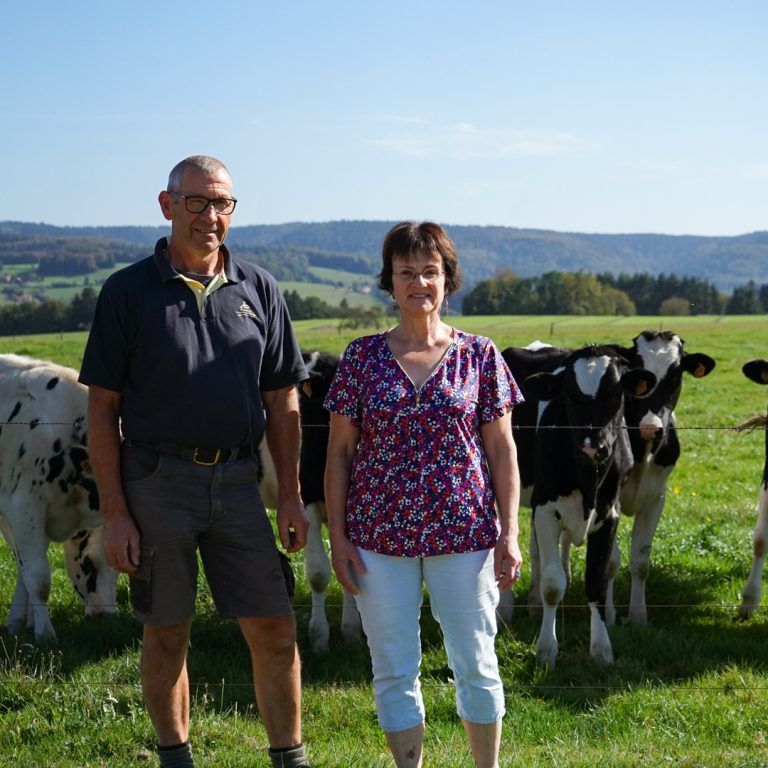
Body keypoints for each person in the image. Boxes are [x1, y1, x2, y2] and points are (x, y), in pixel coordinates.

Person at [79, 155, 313, 768]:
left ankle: (289, 759)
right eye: (198, 202)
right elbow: (102, 409)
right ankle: (175, 758)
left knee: (274, 626)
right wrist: (116, 512)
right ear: (166, 204)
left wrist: (288, 495)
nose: (212, 216)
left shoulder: (258, 288)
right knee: (167, 632)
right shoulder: (128, 292)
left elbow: (283, 400)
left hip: (240, 481)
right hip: (157, 480)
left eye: (223, 204)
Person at [323, 221, 524, 768]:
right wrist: (338, 536)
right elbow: (339, 452)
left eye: (430, 272)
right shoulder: (361, 358)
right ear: (389, 282)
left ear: (447, 280)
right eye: (406, 272)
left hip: (465, 534)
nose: (419, 282)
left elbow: (503, 451)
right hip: (376, 538)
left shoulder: (479, 356)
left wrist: (511, 532)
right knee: (392, 665)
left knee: (476, 660)